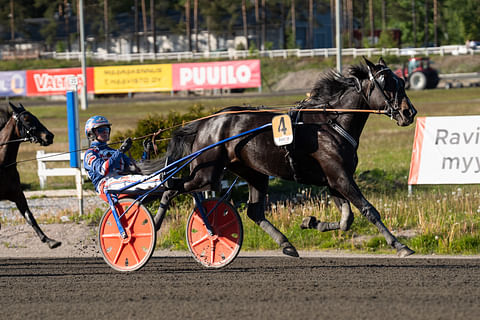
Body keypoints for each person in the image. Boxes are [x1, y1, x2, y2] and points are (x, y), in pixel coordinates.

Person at [83, 115, 162, 201]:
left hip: (122, 180)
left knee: (137, 178)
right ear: (91, 134)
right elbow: (103, 169)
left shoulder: (114, 152)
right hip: (106, 184)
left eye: (106, 129)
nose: (105, 132)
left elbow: (136, 168)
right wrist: (120, 151)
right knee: (135, 180)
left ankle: (164, 180)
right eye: (101, 130)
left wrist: (146, 152)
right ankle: (161, 179)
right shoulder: (90, 153)